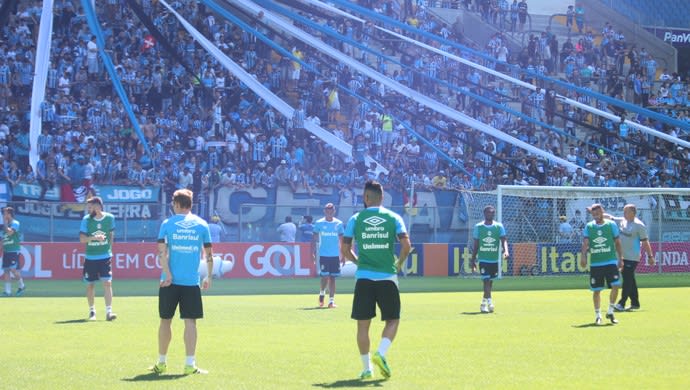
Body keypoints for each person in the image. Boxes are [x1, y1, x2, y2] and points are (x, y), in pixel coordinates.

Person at [341, 180, 411, 380]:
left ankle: (367, 368)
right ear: (382, 198)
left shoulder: (355, 219)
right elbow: (406, 246)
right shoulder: (393, 217)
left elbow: (345, 250)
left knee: (363, 326)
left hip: (364, 278)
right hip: (387, 277)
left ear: (365, 197)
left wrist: (358, 261)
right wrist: (399, 263)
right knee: (393, 319)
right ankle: (381, 352)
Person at [150, 189, 213, 375]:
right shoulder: (202, 225)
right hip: (191, 282)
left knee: (165, 321)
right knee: (190, 322)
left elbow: (161, 252)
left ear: (177, 204)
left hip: (168, 282)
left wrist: (167, 274)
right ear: (190, 204)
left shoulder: (167, 224)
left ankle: (161, 363)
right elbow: (209, 254)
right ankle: (189, 364)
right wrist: (208, 276)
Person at [604, 204, 655, 311]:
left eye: (626, 211)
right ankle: (635, 303)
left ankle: (621, 303)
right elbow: (610, 217)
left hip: (632, 257)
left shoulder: (639, 225)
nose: (624, 213)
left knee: (627, 279)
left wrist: (650, 256)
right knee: (630, 279)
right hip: (622, 256)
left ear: (632, 212)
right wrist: (598, 214)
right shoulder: (623, 221)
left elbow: (645, 242)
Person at [580, 204, 623, 325]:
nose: (596, 216)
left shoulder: (611, 225)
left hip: (610, 261)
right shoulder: (589, 226)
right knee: (597, 290)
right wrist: (583, 256)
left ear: (602, 212)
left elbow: (618, 242)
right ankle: (598, 315)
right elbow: (585, 243)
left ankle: (610, 310)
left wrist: (621, 258)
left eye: (598, 214)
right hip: (596, 263)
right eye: (593, 215)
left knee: (616, 285)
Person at [79, 197, 116, 321]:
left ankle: (109, 312)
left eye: (90, 207)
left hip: (105, 257)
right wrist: (94, 238)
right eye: (88, 207)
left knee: (107, 283)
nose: (88, 209)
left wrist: (109, 249)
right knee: (90, 285)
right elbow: (82, 239)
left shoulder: (110, 218)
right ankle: (92, 311)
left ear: (98, 206)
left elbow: (111, 235)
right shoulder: (86, 220)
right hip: (90, 258)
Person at [470, 205, 509, 313]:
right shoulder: (478, 227)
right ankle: (490, 302)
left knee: (490, 282)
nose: (490, 214)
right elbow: (476, 245)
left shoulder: (499, 226)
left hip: (494, 260)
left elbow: (504, 240)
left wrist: (506, 251)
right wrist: (472, 260)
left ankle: (483, 303)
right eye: (488, 212)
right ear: (484, 214)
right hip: (483, 259)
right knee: (486, 281)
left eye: (492, 213)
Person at [312, 204, 344, 308]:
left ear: (334, 211)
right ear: (324, 211)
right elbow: (314, 238)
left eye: (331, 210)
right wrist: (313, 252)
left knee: (333, 278)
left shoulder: (338, 223)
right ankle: (322, 294)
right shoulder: (319, 223)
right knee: (325, 277)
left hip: (335, 255)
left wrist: (343, 254)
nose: (329, 212)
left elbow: (342, 240)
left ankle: (331, 301)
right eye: (327, 210)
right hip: (324, 254)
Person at [2, 207, 25, 297]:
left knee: (13, 269)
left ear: (9, 214)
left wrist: (4, 223)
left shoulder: (15, 223)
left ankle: (22, 285)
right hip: (7, 251)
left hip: (13, 250)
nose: (4, 215)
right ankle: (8, 291)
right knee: (6, 271)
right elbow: (4, 238)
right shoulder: (5, 225)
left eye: (5, 213)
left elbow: (10, 233)